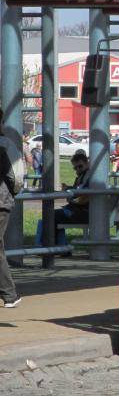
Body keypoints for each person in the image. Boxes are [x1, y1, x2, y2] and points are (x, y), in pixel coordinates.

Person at [35, 151, 90, 246]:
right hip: (80, 211)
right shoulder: (84, 176)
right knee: (50, 216)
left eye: (80, 166)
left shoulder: (88, 177)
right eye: (75, 168)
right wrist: (69, 191)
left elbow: (83, 195)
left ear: (87, 163)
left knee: (50, 216)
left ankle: (50, 246)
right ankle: (58, 245)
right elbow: (78, 192)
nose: (78, 169)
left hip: (83, 213)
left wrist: (70, 196)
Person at [0, 106, 23, 308]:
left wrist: (8, 195)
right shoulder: (7, 145)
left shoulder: (4, 145)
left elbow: (14, 177)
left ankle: (9, 294)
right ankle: (9, 295)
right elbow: (16, 179)